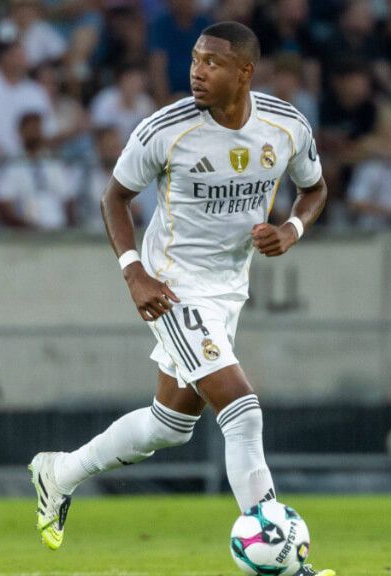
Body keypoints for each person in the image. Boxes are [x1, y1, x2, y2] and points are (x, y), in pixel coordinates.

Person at [26, 22, 334, 576]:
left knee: (170, 424)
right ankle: (286, 564)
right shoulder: (165, 129)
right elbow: (114, 198)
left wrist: (291, 229)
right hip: (172, 287)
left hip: (228, 289)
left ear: (245, 72)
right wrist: (134, 273)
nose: (197, 71)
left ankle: (60, 472)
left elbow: (314, 188)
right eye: (195, 59)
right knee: (243, 412)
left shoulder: (285, 124)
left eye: (213, 63)